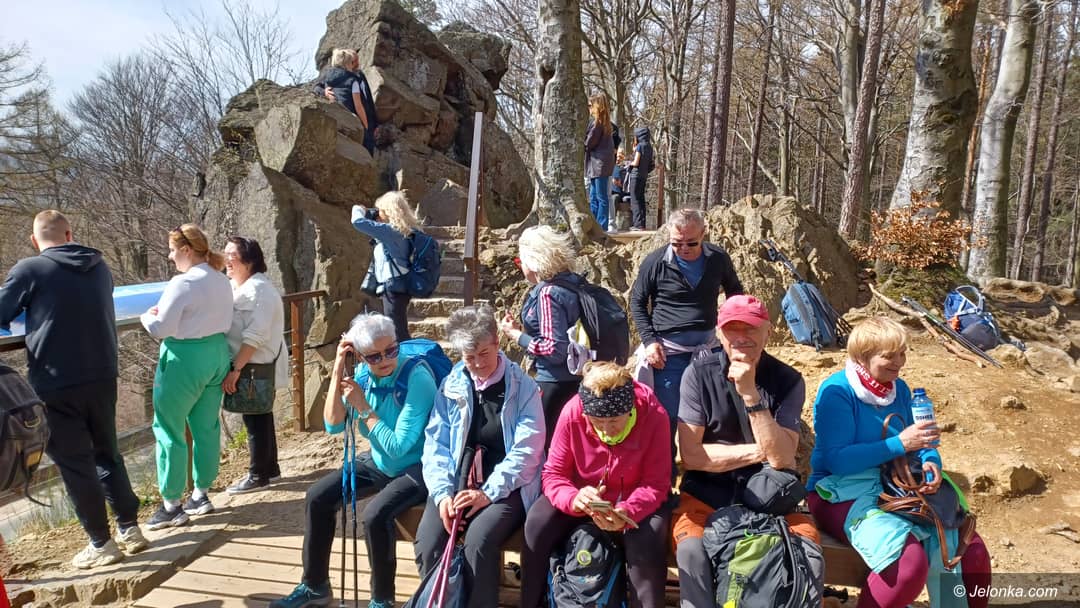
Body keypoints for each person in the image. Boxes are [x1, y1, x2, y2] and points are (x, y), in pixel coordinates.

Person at [807, 317, 991, 608]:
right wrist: (900, 444)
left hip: (900, 486)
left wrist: (931, 462)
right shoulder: (838, 392)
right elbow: (837, 461)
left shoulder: (900, 390)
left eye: (902, 353)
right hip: (839, 491)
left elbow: (924, 442)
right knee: (907, 562)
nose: (899, 362)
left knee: (973, 554)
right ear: (863, 357)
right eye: (889, 356)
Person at [0, 210, 147, 569]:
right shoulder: (100, 267)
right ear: (69, 234)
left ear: (35, 240)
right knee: (108, 453)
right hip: (102, 374)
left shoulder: (30, 269)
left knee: (75, 463)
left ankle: (101, 543)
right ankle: (130, 527)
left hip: (56, 380)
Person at [271, 312, 437, 608]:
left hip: (419, 466)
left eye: (391, 350)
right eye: (374, 356)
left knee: (375, 516)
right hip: (379, 461)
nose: (385, 360)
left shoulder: (418, 377)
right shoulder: (361, 376)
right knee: (318, 497)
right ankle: (315, 586)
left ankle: (382, 600)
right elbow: (333, 424)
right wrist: (338, 369)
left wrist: (362, 406)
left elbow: (398, 447)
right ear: (359, 355)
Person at [673, 294, 820, 608]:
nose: (740, 337)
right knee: (690, 552)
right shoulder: (698, 374)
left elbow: (783, 459)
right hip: (706, 495)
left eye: (750, 328)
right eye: (732, 328)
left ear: (768, 332)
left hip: (772, 500)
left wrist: (751, 395)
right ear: (718, 333)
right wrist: (764, 450)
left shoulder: (787, 380)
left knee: (808, 549)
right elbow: (693, 457)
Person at [416, 305, 545, 608]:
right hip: (457, 482)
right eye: (468, 357)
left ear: (498, 343)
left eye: (484, 354)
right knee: (429, 541)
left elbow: (528, 450)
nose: (476, 364)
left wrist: (487, 493)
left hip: (508, 485)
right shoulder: (452, 384)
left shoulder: (523, 387)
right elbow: (436, 444)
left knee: (479, 539)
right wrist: (442, 495)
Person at [520, 362, 672, 608]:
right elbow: (553, 474)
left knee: (647, 540)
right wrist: (573, 498)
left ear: (630, 409)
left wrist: (628, 511)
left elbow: (657, 484)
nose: (607, 430)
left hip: (634, 503)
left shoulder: (654, 415)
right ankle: (532, 602)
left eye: (614, 421)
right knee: (537, 523)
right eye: (597, 422)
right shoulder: (573, 412)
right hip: (583, 499)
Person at [629, 208, 743, 458]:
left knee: (713, 412)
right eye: (676, 243)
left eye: (691, 243)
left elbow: (735, 291)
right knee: (667, 416)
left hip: (708, 351)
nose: (684, 249)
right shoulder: (656, 262)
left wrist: (732, 327)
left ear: (703, 234)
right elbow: (637, 302)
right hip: (668, 354)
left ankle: (707, 471)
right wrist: (649, 341)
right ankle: (666, 474)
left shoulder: (717, 258)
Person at [140, 224, 233, 529]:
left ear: (186, 250)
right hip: (217, 354)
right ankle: (200, 494)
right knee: (206, 427)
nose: (170, 256)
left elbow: (161, 328)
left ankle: (171, 505)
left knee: (168, 429)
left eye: (172, 250)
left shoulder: (182, 283)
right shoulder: (221, 279)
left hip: (184, 359)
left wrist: (146, 316)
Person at [497, 226, 582, 448]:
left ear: (532, 261)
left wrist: (517, 336)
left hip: (554, 383)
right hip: (579, 380)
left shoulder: (548, 293)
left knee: (544, 449)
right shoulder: (573, 282)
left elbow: (554, 349)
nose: (521, 267)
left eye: (520, 261)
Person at [222, 237, 287, 494]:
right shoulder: (238, 286)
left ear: (248, 260)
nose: (226, 259)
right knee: (260, 413)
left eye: (232, 255)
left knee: (255, 418)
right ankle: (270, 469)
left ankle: (257, 474)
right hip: (249, 364)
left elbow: (255, 336)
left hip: (254, 365)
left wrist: (235, 369)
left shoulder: (261, 290)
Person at [352, 191, 425, 342]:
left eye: (380, 210)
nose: (378, 213)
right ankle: (403, 353)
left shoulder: (391, 231)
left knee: (397, 331)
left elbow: (358, 222)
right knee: (398, 326)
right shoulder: (403, 230)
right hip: (400, 284)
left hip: (394, 286)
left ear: (388, 211)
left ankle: (405, 355)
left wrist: (358, 209)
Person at [315, 48, 378, 153]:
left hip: (366, 121)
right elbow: (317, 87)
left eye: (357, 60)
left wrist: (375, 124)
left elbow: (368, 100)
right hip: (354, 120)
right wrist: (325, 92)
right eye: (354, 61)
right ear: (348, 62)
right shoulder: (331, 75)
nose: (357, 63)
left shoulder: (359, 75)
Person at [585, 93, 616, 232]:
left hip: (599, 165)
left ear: (596, 106)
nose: (589, 108)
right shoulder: (604, 123)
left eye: (590, 105)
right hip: (597, 165)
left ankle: (601, 226)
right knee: (594, 197)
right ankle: (595, 224)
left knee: (601, 197)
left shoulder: (598, 124)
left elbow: (589, 142)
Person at [626, 126, 654, 230]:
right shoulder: (649, 147)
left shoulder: (640, 146)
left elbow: (636, 162)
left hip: (636, 175)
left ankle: (637, 224)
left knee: (635, 200)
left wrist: (628, 163)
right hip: (644, 175)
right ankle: (642, 224)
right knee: (641, 199)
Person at [609, 148, 629, 232]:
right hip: (612, 191)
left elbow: (625, 183)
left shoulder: (626, 168)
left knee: (614, 198)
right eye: (617, 156)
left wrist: (619, 183)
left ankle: (612, 224)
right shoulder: (613, 167)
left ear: (624, 157)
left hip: (622, 192)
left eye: (620, 157)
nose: (618, 159)